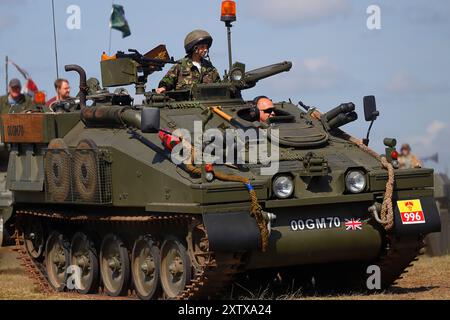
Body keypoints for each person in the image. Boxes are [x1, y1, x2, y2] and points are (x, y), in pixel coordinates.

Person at [156, 30, 220, 93]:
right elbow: (167, 81)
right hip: (184, 103)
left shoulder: (209, 67)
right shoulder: (180, 65)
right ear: (194, 48)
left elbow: (220, 85)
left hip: (207, 103)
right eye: (202, 47)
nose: (205, 50)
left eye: (206, 47)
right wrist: (163, 87)